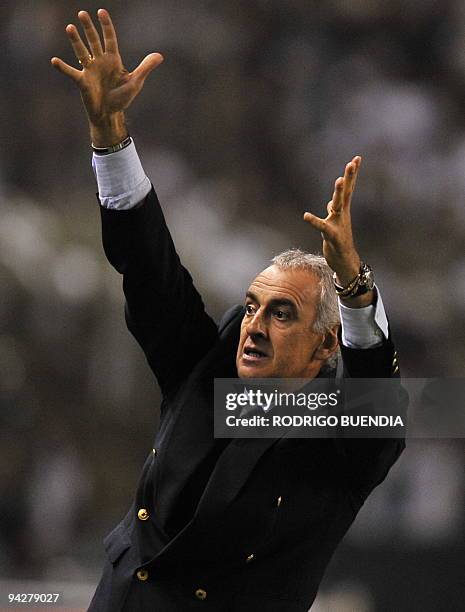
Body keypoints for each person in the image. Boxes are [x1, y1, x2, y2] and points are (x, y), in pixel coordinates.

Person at [52, 9, 404, 611]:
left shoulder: (341, 442)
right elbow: (149, 267)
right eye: (251, 307)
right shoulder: (204, 372)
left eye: (282, 313)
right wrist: (110, 134)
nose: (255, 326)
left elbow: (377, 397)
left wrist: (355, 289)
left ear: (325, 347)